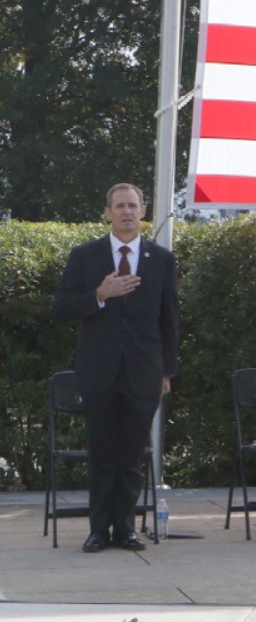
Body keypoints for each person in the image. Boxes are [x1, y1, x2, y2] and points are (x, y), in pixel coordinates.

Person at [52, 183, 179, 553]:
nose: (126, 212)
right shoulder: (85, 256)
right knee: (102, 453)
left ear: (143, 211)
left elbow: (169, 319)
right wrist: (99, 295)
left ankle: (124, 529)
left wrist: (167, 371)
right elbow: (60, 309)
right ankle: (98, 531)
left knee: (131, 454)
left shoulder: (161, 259)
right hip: (99, 371)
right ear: (107, 212)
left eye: (132, 206)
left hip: (144, 371)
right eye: (119, 206)